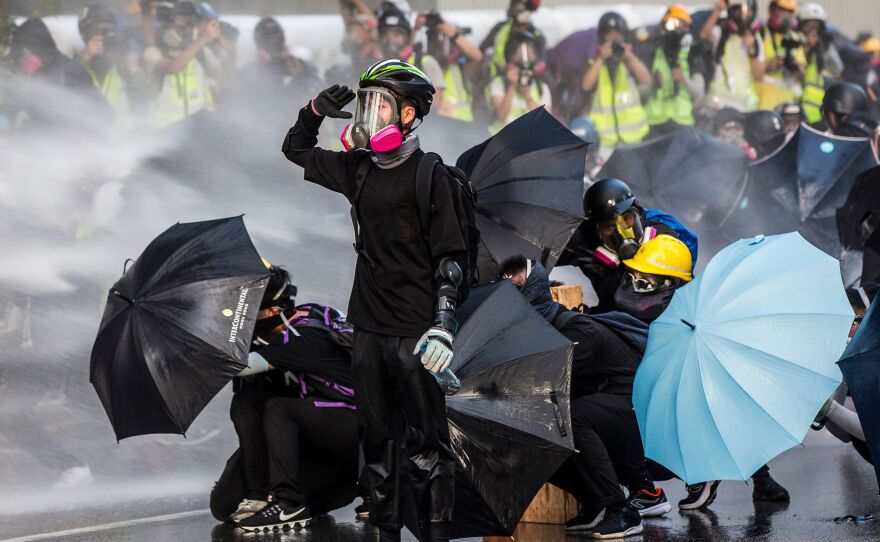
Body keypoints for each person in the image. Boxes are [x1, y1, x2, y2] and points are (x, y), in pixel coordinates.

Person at [281, 60, 466, 542]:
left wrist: (444, 324)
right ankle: (385, 532)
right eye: (366, 102)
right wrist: (314, 111)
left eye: (378, 103)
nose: (368, 113)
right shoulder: (357, 168)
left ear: (407, 114)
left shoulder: (431, 175)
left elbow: (450, 257)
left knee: (428, 446)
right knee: (378, 442)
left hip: (417, 334)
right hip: (368, 327)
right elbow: (295, 149)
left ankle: (436, 534)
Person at [499, 256, 671, 539]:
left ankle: (620, 510)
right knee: (534, 434)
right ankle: (597, 503)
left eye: (515, 283)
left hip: (639, 413)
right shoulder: (544, 331)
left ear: (531, 292)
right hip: (611, 413)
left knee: (570, 418)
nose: (506, 291)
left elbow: (545, 382)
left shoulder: (577, 331)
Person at [614, 236, 791, 507]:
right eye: (634, 277)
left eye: (644, 281)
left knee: (718, 399)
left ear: (669, 284)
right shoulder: (658, 310)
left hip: (705, 380)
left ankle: (711, 474)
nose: (635, 286)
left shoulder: (697, 317)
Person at [211, 265, 362, 531]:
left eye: (247, 315)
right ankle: (259, 496)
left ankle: (290, 503)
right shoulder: (281, 327)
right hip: (317, 433)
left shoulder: (301, 335)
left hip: (356, 433)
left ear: (272, 311)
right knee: (224, 505)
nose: (241, 321)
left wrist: (201, 351)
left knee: (279, 408)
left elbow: (236, 366)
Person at [557, 178, 698, 314]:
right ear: (596, 230)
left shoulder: (663, 240)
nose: (621, 230)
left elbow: (642, 307)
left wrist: (613, 275)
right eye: (609, 226)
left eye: (627, 219)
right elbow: (545, 251)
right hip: (609, 315)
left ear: (638, 214)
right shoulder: (587, 242)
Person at [142, 0, 218, 128]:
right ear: (164, 24)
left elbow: (220, 77)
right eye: (181, 22)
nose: (185, 28)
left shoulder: (197, 55)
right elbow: (173, 67)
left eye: (189, 23)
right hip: (164, 134)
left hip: (196, 132)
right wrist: (203, 39)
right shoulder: (152, 53)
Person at [583, 12, 652, 151]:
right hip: (605, 140)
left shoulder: (629, 60)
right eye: (610, 35)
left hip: (633, 137)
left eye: (618, 35)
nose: (614, 40)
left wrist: (629, 57)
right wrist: (601, 58)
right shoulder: (595, 61)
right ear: (602, 37)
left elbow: (647, 81)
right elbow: (586, 85)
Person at [645, 4, 705, 137]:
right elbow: (641, 91)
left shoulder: (692, 53)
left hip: (682, 124)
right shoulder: (653, 51)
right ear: (663, 26)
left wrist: (684, 80)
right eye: (673, 24)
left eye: (683, 25)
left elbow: (699, 93)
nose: (677, 29)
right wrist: (653, 82)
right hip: (655, 124)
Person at [415, 10, 482, 122]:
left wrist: (452, 34)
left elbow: (477, 57)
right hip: (438, 132)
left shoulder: (459, 68)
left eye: (444, 39)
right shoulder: (421, 66)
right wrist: (416, 29)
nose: (439, 44)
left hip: (465, 130)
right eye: (433, 38)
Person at [77, 3, 136, 128]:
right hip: (86, 142)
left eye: (111, 31)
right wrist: (85, 57)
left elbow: (145, 97)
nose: (107, 36)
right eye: (100, 31)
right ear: (83, 34)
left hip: (122, 143)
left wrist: (132, 68)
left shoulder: (120, 65)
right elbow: (59, 87)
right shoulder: (73, 63)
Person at [700, 0, 765, 113]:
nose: (743, 15)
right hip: (719, 103)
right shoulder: (721, 33)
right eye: (738, 10)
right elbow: (704, 35)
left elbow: (759, 76)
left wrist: (751, 49)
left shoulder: (756, 40)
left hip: (745, 105)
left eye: (747, 10)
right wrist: (718, 11)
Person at [487, 29, 551, 133]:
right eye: (518, 53)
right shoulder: (499, 83)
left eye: (531, 53)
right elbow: (501, 116)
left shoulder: (541, 88)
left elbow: (546, 123)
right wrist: (511, 86)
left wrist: (528, 97)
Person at [480, 0, 545, 83]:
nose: (514, 7)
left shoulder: (537, 37)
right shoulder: (501, 28)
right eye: (514, 4)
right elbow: (481, 51)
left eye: (518, 4)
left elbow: (541, 64)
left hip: (522, 84)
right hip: (495, 79)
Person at [797, 3, 842, 125]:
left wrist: (824, 47)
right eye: (809, 25)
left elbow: (837, 71)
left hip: (817, 113)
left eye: (817, 26)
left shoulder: (823, 48)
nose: (813, 30)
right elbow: (796, 72)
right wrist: (807, 47)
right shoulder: (795, 43)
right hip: (795, 110)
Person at [757, 0, 805, 111]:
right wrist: (768, 65)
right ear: (771, 10)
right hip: (764, 104)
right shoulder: (760, 33)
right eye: (782, 10)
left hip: (788, 106)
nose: (785, 15)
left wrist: (795, 68)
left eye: (789, 11)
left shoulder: (794, 38)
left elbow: (801, 73)